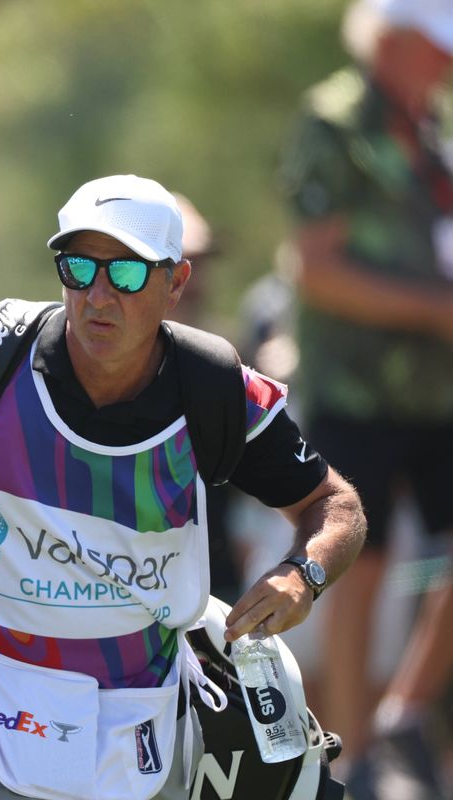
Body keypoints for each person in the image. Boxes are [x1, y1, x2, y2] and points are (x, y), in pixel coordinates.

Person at [0, 175, 366, 799]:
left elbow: (335, 506)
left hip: (146, 719)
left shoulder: (215, 386)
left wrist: (302, 574)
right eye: (78, 268)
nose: (98, 296)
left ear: (175, 283)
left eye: (125, 274)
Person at [280, 0, 453, 794]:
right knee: (362, 560)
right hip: (356, 391)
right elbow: (315, 268)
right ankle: (351, 759)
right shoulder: (334, 120)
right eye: (437, 47)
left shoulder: (431, 136)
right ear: (395, 43)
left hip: (438, 395)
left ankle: (404, 710)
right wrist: (432, 308)